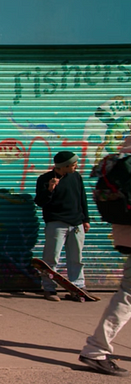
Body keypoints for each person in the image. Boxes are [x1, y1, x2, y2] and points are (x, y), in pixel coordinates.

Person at [78, 137, 131, 377]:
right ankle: (96, 350)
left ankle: (96, 349)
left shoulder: (120, 161)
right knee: (128, 295)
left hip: (125, 234)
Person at [34, 150, 92, 301]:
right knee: (52, 257)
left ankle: (78, 287)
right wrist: (50, 190)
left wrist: (86, 219)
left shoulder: (76, 177)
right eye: (73, 164)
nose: (76, 166)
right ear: (63, 166)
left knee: (76, 257)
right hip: (57, 223)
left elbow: (82, 197)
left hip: (76, 223)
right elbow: (40, 202)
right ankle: (49, 288)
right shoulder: (45, 179)